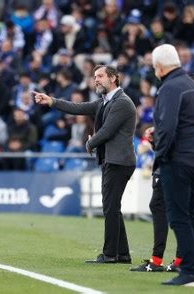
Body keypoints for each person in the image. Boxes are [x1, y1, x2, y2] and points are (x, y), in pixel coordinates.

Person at [33, 64, 136, 263]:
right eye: (94, 76)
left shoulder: (122, 102)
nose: (95, 79)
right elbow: (77, 108)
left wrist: (89, 142)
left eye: (100, 76)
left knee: (110, 207)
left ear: (113, 78)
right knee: (112, 207)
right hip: (112, 160)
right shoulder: (105, 102)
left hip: (119, 161)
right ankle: (121, 254)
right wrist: (52, 101)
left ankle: (109, 255)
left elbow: (107, 131)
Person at [152, 44, 194, 286]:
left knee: (178, 217)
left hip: (178, 159)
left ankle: (190, 272)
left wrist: (159, 156)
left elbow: (168, 128)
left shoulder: (170, 87)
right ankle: (193, 268)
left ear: (159, 67)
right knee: (188, 216)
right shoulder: (191, 85)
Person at [130, 127, 181, 272]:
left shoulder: (172, 110)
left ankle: (158, 260)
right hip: (179, 165)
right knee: (177, 211)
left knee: (163, 208)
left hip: (169, 167)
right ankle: (179, 260)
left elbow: (170, 132)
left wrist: (156, 134)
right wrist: (154, 141)